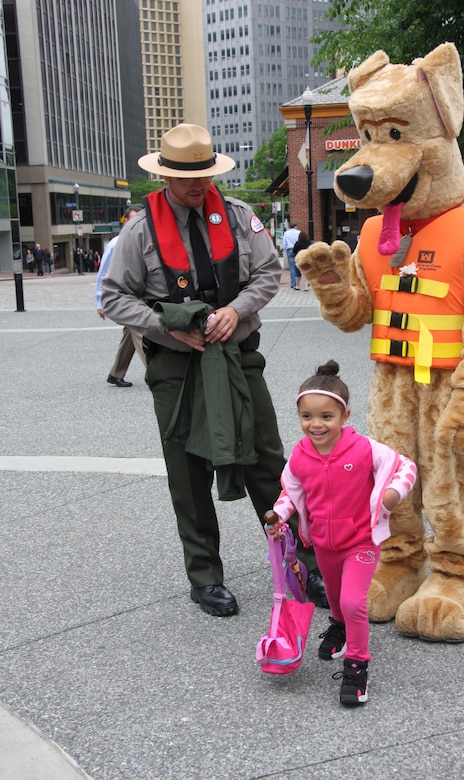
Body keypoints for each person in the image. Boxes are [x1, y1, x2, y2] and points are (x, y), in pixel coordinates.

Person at [102, 123, 327, 617]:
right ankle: (205, 577)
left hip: (240, 360)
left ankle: (303, 566)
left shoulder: (241, 217)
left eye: (204, 174)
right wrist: (166, 327)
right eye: (186, 177)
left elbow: (268, 273)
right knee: (188, 474)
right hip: (176, 369)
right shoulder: (139, 230)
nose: (197, 185)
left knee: (268, 465)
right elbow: (113, 296)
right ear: (166, 177)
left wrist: (238, 310)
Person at [265, 360, 417, 705]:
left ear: (344, 416)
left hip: (360, 541)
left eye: (326, 417)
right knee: (334, 597)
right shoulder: (300, 457)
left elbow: (405, 466)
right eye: (307, 416)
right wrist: (279, 514)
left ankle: (358, 664)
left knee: (352, 601)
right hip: (323, 543)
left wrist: (391, 497)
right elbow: (291, 493)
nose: (316, 425)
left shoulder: (364, 448)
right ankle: (340, 627)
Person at [96, 204, 146, 387]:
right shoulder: (116, 243)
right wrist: (100, 302)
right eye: (131, 219)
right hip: (124, 296)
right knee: (140, 330)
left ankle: (116, 372)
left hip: (139, 294)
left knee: (130, 334)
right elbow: (103, 274)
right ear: (124, 221)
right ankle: (156, 372)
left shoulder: (143, 240)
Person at [282, 222, 300, 290]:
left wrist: (286, 250)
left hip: (290, 249)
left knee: (292, 268)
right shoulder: (298, 232)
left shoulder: (286, 233)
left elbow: (284, 243)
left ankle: (293, 284)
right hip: (297, 249)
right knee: (298, 266)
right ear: (295, 226)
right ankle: (298, 282)